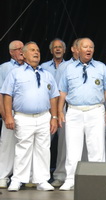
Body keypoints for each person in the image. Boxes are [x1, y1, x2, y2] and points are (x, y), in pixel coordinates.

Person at [1, 41, 59, 191]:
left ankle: (42, 180)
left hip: (43, 116)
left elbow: (53, 97)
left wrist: (54, 117)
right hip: (23, 116)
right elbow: (7, 95)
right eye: (32, 50)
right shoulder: (15, 73)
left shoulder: (47, 74)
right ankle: (17, 179)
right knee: (23, 148)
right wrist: (8, 116)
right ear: (24, 54)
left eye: (38, 50)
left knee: (43, 148)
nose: (36, 53)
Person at [58, 37, 106, 191]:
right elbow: (62, 92)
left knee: (96, 148)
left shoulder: (101, 67)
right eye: (85, 47)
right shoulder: (68, 68)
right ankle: (70, 179)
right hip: (74, 111)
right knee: (73, 147)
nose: (89, 50)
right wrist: (60, 112)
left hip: (95, 110)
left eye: (91, 47)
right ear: (78, 49)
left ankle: (98, 179)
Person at [50, 38, 80, 188]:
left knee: (82, 146)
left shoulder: (92, 66)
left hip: (84, 109)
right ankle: (61, 175)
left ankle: (82, 176)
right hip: (66, 107)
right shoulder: (65, 66)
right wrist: (57, 112)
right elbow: (57, 91)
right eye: (79, 46)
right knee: (64, 144)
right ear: (74, 49)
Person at [0, 40, 24, 188]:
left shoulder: (30, 68)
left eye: (23, 48)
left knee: (24, 144)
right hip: (10, 111)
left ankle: (20, 176)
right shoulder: (4, 68)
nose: (21, 51)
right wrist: (4, 113)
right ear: (11, 52)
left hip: (26, 112)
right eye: (18, 49)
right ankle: (3, 176)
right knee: (7, 144)